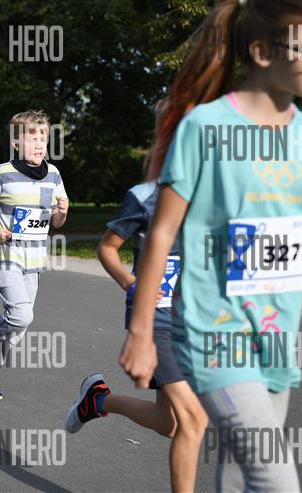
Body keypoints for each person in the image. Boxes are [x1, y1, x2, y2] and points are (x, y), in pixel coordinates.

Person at [119, 0, 302, 491]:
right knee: (275, 479)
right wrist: (140, 332)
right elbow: (160, 233)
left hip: (276, 339)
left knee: (239, 474)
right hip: (213, 336)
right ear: (263, 51)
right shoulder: (204, 128)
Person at [65, 176, 207, 493]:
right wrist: (132, 285)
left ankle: (97, 400)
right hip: (156, 321)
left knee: (169, 424)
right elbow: (107, 248)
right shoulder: (144, 197)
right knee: (193, 419)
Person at [0, 109, 68, 401]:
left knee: (20, 327)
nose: (39, 144)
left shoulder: (54, 174)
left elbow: (55, 222)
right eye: (32, 138)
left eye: (43, 139)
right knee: (21, 315)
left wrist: (62, 211)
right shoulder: (2, 173)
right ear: (16, 143)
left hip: (34, 259)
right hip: (5, 253)